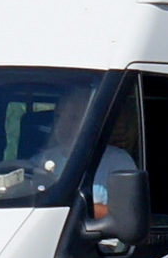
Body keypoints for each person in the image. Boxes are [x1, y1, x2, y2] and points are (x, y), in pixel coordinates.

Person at [34, 90, 137, 218]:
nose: (63, 125)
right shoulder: (39, 161)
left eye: (73, 118)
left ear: (90, 121)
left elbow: (126, 215)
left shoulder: (117, 161)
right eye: (59, 117)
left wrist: (71, 206)